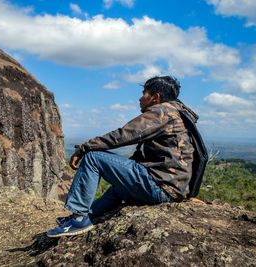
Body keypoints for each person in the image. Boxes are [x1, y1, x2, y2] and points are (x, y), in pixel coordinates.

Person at [47, 76, 197, 238]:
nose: (140, 98)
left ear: (156, 97)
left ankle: (78, 218)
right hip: (169, 189)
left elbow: (122, 136)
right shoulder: (176, 113)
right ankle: (88, 215)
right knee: (119, 189)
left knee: (93, 157)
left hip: (160, 188)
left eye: (144, 93)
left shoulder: (162, 113)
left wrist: (84, 148)